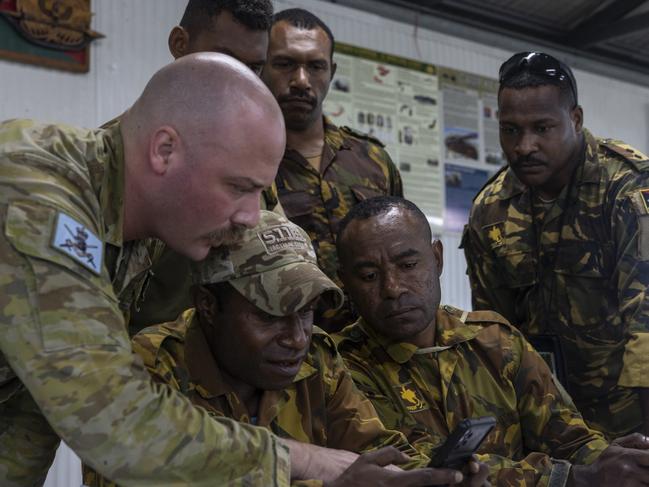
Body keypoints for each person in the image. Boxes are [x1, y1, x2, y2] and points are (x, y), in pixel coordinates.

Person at [0, 53, 348, 487]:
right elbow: (115, 420)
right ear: (165, 151)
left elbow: (25, 405)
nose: (250, 216)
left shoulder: (138, 226)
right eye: (239, 188)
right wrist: (309, 462)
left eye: (258, 192)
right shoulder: (35, 197)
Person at [84, 210, 488, 487]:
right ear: (208, 304)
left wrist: (429, 477)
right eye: (269, 316)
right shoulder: (147, 369)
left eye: (307, 312)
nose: (296, 338)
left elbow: (377, 452)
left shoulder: (316, 358)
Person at [334, 196, 649, 486]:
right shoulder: (339, 368)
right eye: (369, 276)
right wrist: (573, 477)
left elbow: (567, 436)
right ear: (344, 282)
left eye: (408, 265)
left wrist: (613, 461)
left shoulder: (495, 341)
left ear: (437, 258)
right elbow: (422, 471)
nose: (393, 287)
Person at [460, 51, 649, 439]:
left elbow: (645, 323)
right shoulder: (490, 209)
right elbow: (494, 334)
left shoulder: (625, 190)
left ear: (575, 120)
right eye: (511, 130)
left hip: (630, 416)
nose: (524, 146)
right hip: (546, 418)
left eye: (542, 128)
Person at [128, 0, 283, 334]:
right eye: (224, 60)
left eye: (253, 68)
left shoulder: (249, 168)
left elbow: (277, 272)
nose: (239, 81)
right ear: (180, 45)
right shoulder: (119, 163)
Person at [263, 8, 403, 332]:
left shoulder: (373, 160)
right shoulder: (245, 162)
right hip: (291, 355)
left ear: (332, 71)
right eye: (285, 64)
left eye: (315, 66)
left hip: (376, 354)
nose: (301, 80)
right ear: (261, 66)